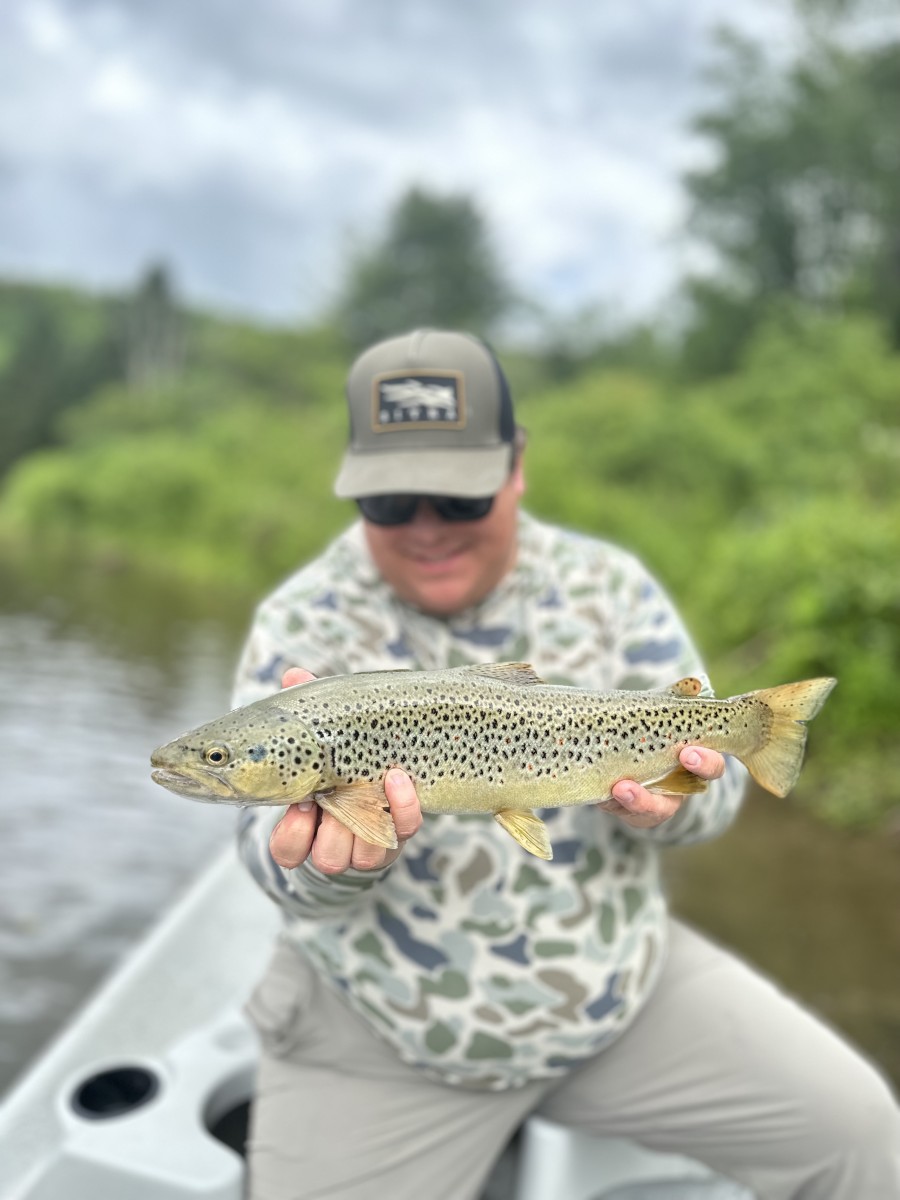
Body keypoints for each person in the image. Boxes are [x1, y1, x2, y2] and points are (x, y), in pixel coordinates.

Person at [232, 328, 900, 1200]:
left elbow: (713, 800)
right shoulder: (302, 621)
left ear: (515, 466)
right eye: (393, 503)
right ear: (355, 488)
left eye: (459, 497)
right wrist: (329, 869)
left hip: (614, 991)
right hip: (384, 1025)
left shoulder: (611, 588)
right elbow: (263, 855)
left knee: (864, 1138)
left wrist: (681, 792)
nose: (427, 528)